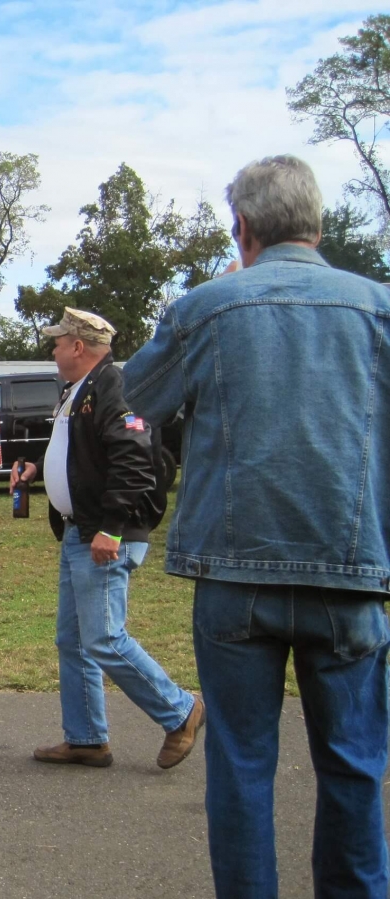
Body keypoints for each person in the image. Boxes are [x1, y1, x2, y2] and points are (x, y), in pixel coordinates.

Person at [124, 154, 390, 898]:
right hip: (352, 572)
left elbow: (138, 398)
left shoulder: (206, 308)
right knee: (354, 765)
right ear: (319, 223)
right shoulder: (377, 307)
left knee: (241, 764)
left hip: (235, 577)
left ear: (241, 227)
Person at [12, 308, 202, 770]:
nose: (53, 349)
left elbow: (134, 461)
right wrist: (42, 469)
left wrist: (111, 528)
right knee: (73, 641)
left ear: (79, 347)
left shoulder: (112, 388)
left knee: (104, 639)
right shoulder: (80, 390)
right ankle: (86, 739)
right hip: (81, 532)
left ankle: (180, 710)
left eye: (58, 342)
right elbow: (81, 448)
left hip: (102, 534)